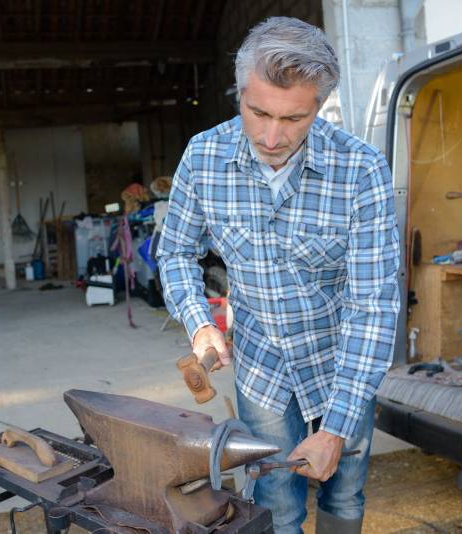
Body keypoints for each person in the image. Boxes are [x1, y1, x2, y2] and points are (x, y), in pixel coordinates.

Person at [156, 17, 400, 534]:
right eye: (258, 112)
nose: (271, 137)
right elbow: (175, 251)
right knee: (275, 502)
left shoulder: (361, 171)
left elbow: (372, 306)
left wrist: (336, 428)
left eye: (293, 118)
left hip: (342, 365)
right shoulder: (204, 158)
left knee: (345, 492)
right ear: (240, 93)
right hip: (262, 366)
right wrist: (200, 323)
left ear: (320, 105)